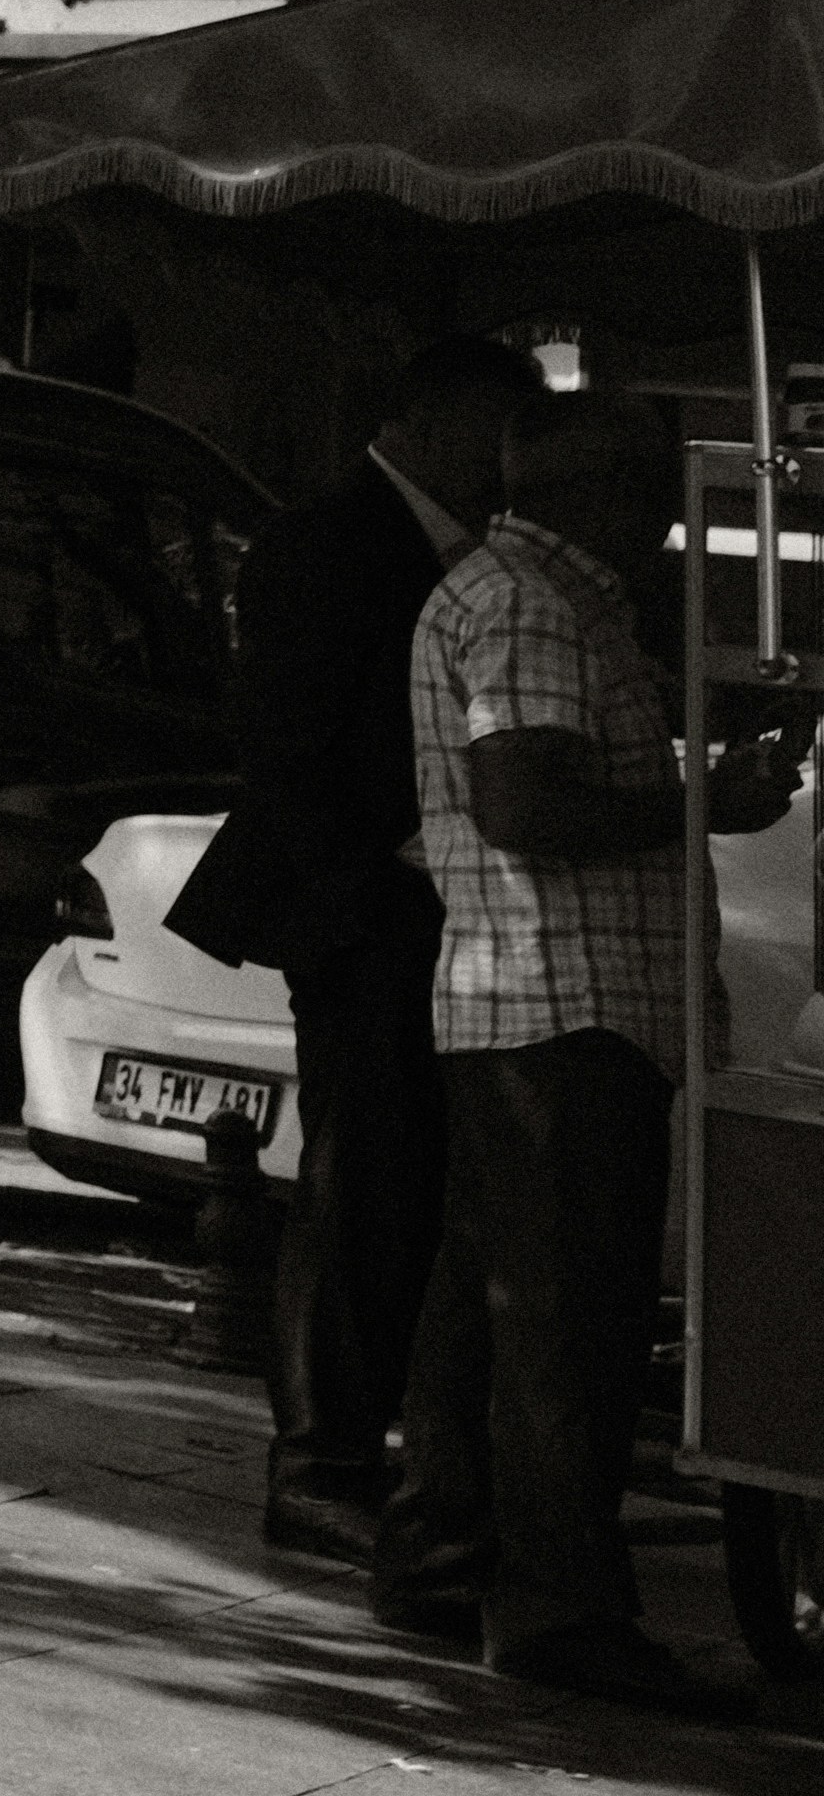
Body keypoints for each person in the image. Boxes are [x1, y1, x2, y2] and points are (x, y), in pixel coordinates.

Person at [371, 381, 798, 1717]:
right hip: (563, 1009)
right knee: (567, 1326)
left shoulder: (546, 601)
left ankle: (442, 1549)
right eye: (661, 496)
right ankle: (558, 1607)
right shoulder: (527, 602)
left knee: (490, 1308)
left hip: (539, 1007)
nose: (673, 526)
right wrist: (701, 803)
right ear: (597, 494)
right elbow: (525, 801)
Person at [170, 332, 525, 1557]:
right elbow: (294, 747)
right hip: (365, 909)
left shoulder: (463, 546)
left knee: (401, 1181)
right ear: (429, 417)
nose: (506, 455)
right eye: (492, 424)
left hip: (420, 908)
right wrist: (375, 875)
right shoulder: (331, 540)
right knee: (358, 1179)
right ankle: (318, 1451)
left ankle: (357, 1442)